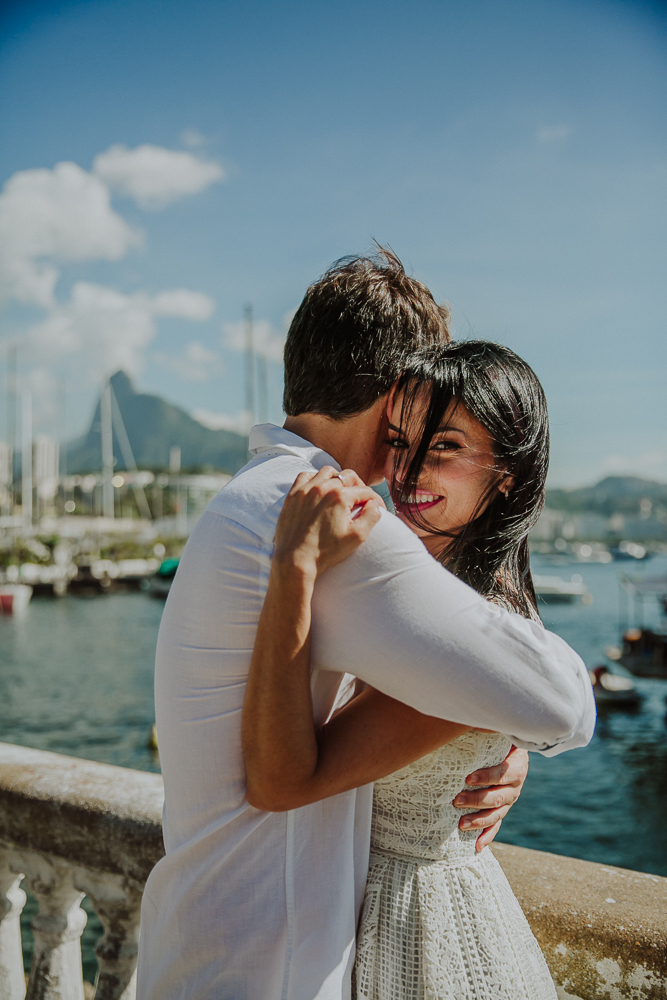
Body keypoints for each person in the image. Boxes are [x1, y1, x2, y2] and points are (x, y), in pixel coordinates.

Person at [136, 250, 595, 1000]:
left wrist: (497, 736)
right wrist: (523, 725)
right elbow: (563, 699)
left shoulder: (244, 499)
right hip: (270, 964)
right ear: (397, 396)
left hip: (206, 941)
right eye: (419, 428)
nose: (410, 466)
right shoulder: (335, 515)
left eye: (444, 442)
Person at [243, 340, 569, 999]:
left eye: (444, 446)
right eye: (401, 440)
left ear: (506, 472)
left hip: (421, 929)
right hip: (371, 905)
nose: (409, 470)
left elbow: (280, 781)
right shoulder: (429, 591)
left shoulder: (476, 632)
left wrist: (293, 564)